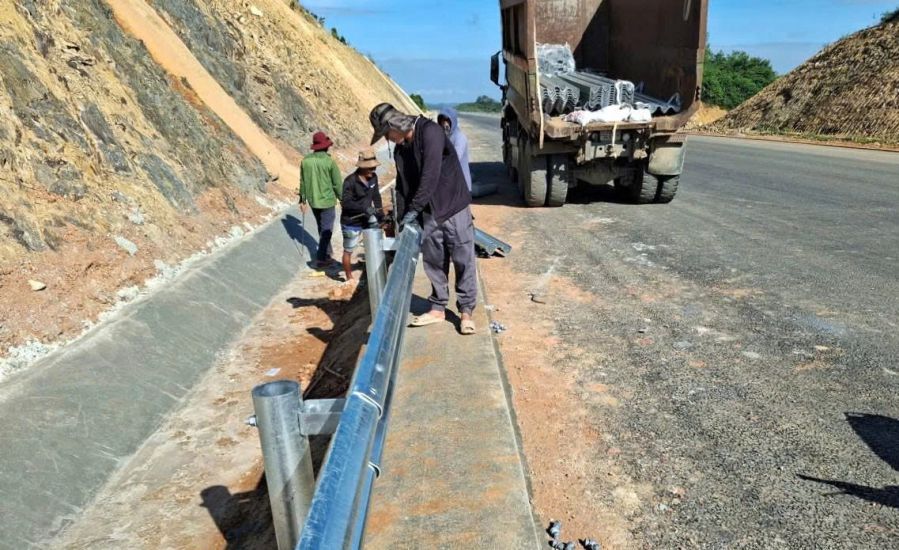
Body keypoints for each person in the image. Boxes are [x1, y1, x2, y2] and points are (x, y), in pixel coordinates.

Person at [369, 103, 478, 335]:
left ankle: (466, 311)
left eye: (387, 134)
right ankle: (438, 307)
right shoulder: (401, 150)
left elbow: (430, 175)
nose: (388, 139)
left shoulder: (430, 132)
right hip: (429, 212)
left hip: (452, 205)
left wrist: (414, 210)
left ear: (394, 125)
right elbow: (402, 186)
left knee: (462, 256)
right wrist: (400, 218)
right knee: (434, 259)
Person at [299, 131, 342, 268]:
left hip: (313, 201)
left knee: (321, 227)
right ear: (326, 146)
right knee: (327, 229)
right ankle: (321, 258)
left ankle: (327, 254)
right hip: (327, 200)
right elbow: (337, 184)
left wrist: (302, 200)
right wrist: (343, 199)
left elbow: (303, 182)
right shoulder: (329, 162)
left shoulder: (305, 161)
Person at [340, 148, 384, 282]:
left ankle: (373, 269)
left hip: (367, 219)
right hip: (351, 222)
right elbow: (346, 203)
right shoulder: (350, 181)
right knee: (349, 249)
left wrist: (380, 215)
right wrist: (364, 208)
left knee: (374, 244)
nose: (373, 171)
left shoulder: (374, 178)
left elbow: (376, 197)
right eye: (370, 169)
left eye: (374, 168)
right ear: (362, 168)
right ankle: (349, 278)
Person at [437, 107, 472, 191]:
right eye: (442, 120)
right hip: (451, 183)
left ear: (453, 120)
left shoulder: (460, 138)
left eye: (447, 120)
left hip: (462, 186)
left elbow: (454, 159)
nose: (445, 123)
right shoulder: (444, 136)